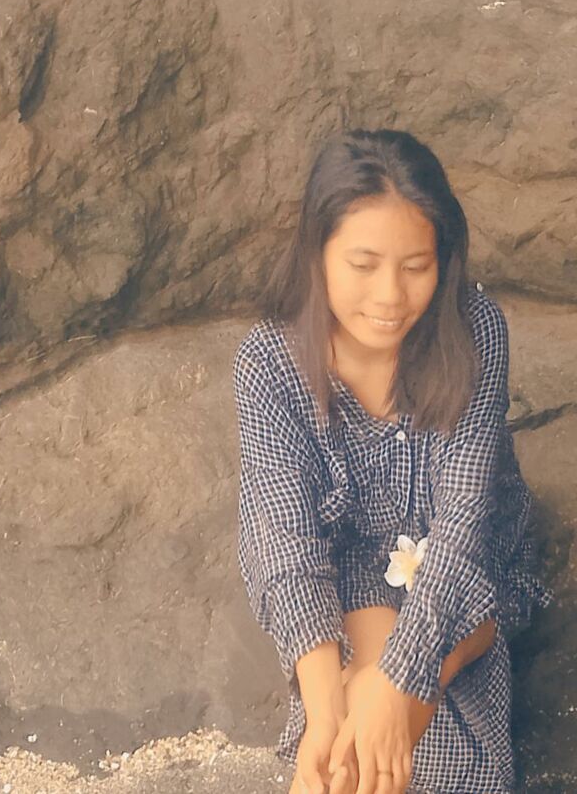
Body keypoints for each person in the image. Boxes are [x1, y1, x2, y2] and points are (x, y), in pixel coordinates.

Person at [232, 128, 554, 794]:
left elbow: (465, 525)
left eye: (415, 266)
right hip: (349, 570)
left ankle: (425, 673)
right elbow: (284, 545)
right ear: (317, 251)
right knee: (347, 743)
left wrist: (396, 679)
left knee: (417, 739)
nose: (390, 296)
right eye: (364, 264)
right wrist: (325, 711)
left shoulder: (474, 329)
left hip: (468, 563)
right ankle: (380, 691)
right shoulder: (268, 362)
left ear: (444, 260)